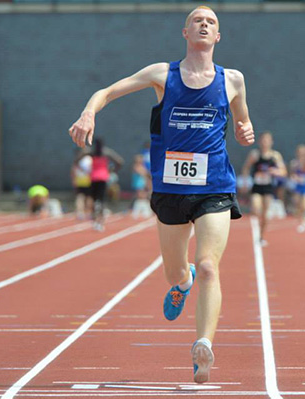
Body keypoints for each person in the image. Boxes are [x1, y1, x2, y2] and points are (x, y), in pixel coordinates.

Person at [68, 6, 254, 384]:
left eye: (212, 21)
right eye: (198, 20)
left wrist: (244, 130)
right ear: (185, 31)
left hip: (214, 186)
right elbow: (107, 91)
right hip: (170, 189)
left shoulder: (232, 79)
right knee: (177, 270)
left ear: (218, 36)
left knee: (208, 265)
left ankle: (203, 345)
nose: (204, 23)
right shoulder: (162, 75)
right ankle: (181, 284)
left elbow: (243, 116)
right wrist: (89, 113)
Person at [241, 131, 287, 246]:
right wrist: (245, 182)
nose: (265, 142)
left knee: (266, 214)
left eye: (267, 140)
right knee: (256, 208)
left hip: (268, 187)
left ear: (271, 142)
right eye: (263, 140)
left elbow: (284, 172)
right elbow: (246, 168)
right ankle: (259, 226)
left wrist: (276, 171)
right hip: (257, 186)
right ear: (260, 142)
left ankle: (261, 236)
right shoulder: (255, 154)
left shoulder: (275, 156)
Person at [84, 138, 124, 231]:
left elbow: (77, 159)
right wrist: (111, 170)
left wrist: (85, 169)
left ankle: (94, 220)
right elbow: (120, 161)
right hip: (103, 177)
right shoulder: (106, 152)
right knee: (101, 200)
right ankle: (100, 221)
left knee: (94, 199)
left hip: (93, 177)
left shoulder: (91, 152)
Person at [290, 144, 305, 232]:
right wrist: (294, 177)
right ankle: (301, 222)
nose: (301, 154)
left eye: (303, 152)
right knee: (298, 206)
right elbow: (292, 173)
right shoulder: (294, 163)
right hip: (298, 187)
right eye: (300, 152)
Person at [71, 154, 93, 220]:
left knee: (80, 197)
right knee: (88, 197)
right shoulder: (90, 159)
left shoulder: (78, 160)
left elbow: (73, 170)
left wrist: (74, 180)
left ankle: (80, 213)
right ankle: (88, 213)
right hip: (87, 180)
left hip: (80, 180)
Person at [131, 154, 153, 219]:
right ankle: (137, 211)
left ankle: (142, 211)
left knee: (143, 196)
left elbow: (146, 174)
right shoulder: (136, 166)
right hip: (138, 183)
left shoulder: (143, 166)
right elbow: (144, 173)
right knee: (141, 196)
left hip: (142, 183)